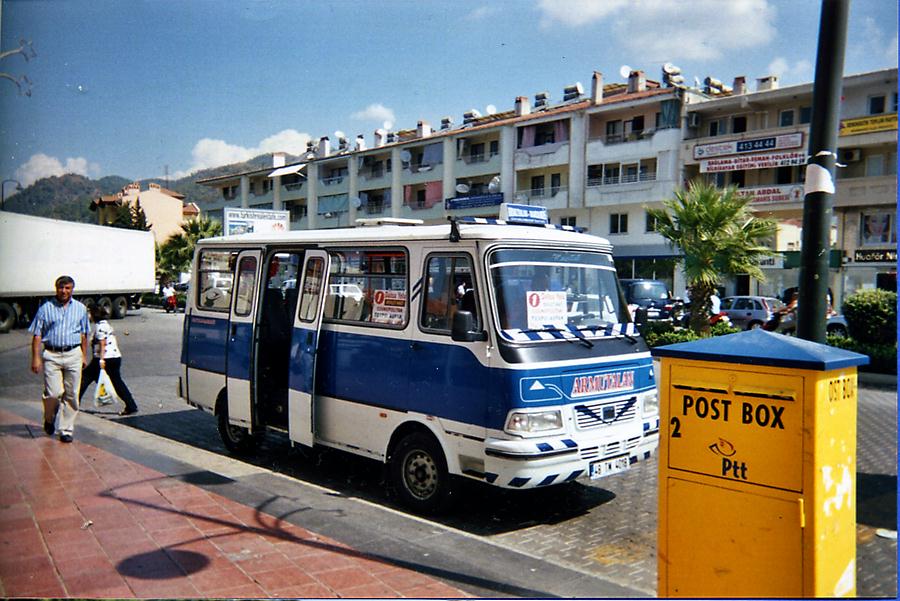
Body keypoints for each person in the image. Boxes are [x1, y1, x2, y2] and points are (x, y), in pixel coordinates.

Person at [28, 275, 90, 443]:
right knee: (53, 393)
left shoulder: (80, 309)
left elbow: (84, 334)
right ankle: (49, 418)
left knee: (72, 394)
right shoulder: (45, 308)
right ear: (56, 288)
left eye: (67, 288)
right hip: (52, 355)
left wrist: (84, 355)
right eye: (61, 288)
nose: (64, 291)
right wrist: (36, 358)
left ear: (72, 289)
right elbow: (37, 335)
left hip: (73, 354)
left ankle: (66, 429)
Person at [79, 305, 139, 416]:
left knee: (85, 378)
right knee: (117, 382)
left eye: (90, 313)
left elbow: (103, 344)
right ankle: (131, 405)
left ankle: (74, 403)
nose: (89, 316)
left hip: (104, 359)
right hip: (115, 357)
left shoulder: (100, 327)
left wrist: (101, 360)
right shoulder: (107, 325)